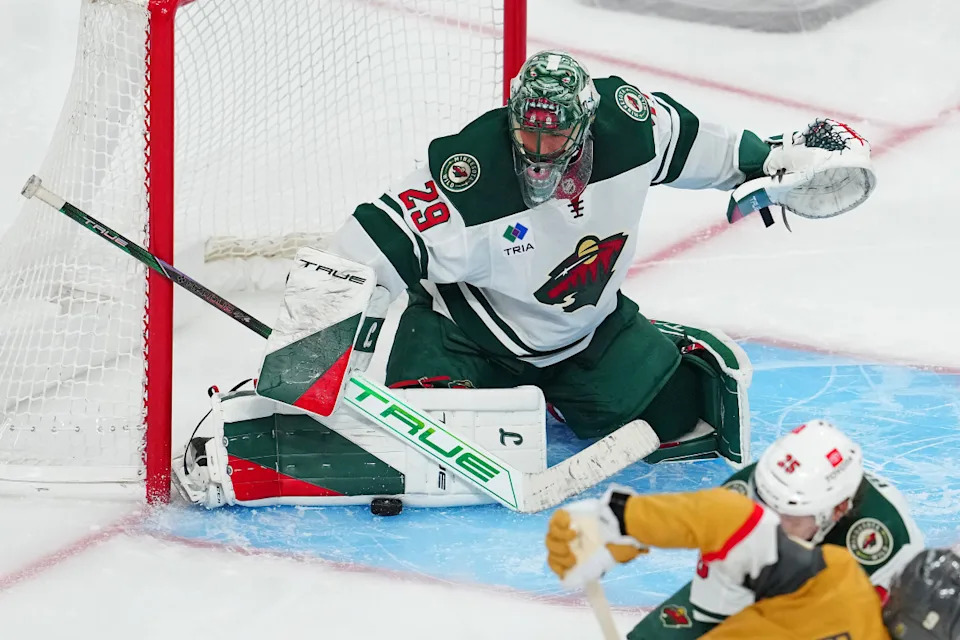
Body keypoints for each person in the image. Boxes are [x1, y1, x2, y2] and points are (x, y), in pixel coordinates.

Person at [326, 49, 872, 465]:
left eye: (555, 132)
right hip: (467, 339)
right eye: (527, 130)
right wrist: (312, 357)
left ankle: (574, 386)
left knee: (675, 415)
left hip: (585, 333)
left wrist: (768, 158)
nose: (538, 150)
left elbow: (707, 148)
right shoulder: (468, 178)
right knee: (432, 450)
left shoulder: (632, 127)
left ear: (587, 124)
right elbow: (363, 249)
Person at [626, 419, 924, 638]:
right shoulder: (740, 493)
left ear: (837, 510)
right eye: (764, 503)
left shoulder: (889, 541)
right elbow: (715, 610)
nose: (767, 523)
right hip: (755, 588)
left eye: (789, 515)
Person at [545, 485, 956, 639]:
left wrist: (620, 521)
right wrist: (620, 522)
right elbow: (733, 522)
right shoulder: (839, 589)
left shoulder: (841, 587)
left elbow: (732, 519)